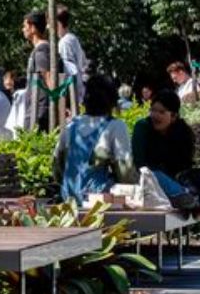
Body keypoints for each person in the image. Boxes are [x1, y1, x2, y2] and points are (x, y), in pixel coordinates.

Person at [52, 75, 138, 204]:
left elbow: (57, 167)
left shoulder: (71, 126)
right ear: (113, 99)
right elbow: (125, 172)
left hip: (69, 200)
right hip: (98, 201)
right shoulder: (116, 126)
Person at [131, 89, 198, 199]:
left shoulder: (183, 132)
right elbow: (140, 165)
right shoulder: (143, 127)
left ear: (174, 116)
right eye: (152, 110)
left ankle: (188, 196)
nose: (155, 115)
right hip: (148, 180)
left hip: (174, 180)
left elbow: (185, 164)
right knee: (155, 175)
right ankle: (187, 197)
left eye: (161, 112)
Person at [22, 10, 57, 128]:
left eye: (25, 26)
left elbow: (48, 77)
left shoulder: (41, 50)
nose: (23, 29)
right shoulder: (45, 49)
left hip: (39, 110)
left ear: (33, 28)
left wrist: (57, 105)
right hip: (38, 108)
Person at [56, 7, 87, 112]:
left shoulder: (64, 43)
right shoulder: (73, 39)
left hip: (72, 96)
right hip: (78, 92)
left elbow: (69, 70)